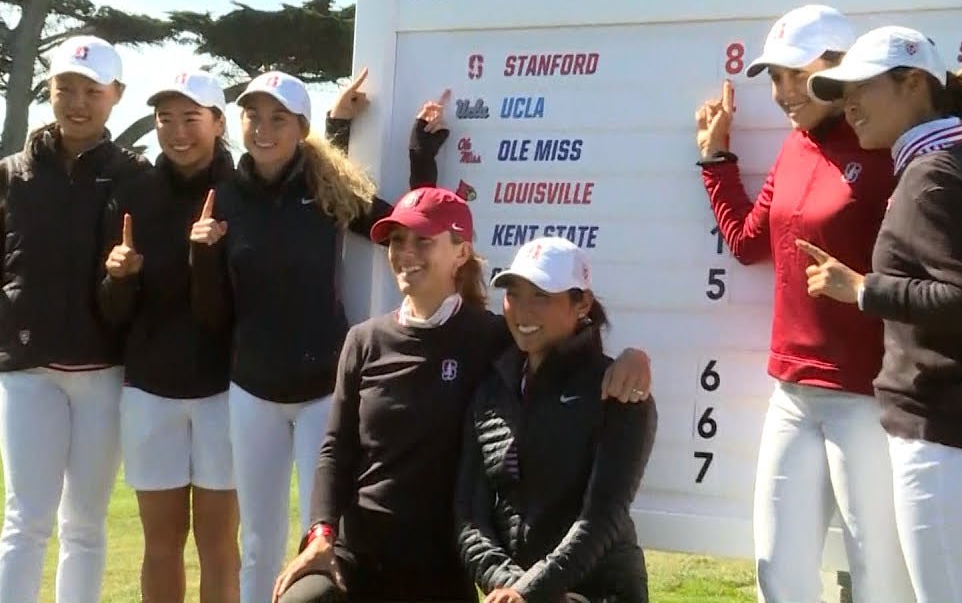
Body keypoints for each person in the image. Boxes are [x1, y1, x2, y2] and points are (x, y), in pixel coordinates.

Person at [694, 5, 962, 603]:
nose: (785, 92)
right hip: (791, 389)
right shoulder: (796, 149)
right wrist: (716, 162)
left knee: (879, 582)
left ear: (843, 70)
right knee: (777, 575)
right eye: (775, 78)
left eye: (798, 74)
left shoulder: (898, 149)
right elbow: (749, 242)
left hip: (869, 396)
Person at [272, 188, 652, 603]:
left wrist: (634, 358)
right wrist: (321, 532)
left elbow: (566, 349)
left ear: (461, 253)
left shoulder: (493, 339)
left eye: (423, 240)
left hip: (444, 566)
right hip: (361, 553)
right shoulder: (366, 341)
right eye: (397, 240)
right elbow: (336, 448)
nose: (406, 252)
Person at [188, 68, 451, 603]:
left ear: (301, 127)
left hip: (323, 394)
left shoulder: (326, 190)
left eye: (278, 119)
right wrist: (202, 254)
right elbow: (213, 311)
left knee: (326, 539)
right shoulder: (225, 197)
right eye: (253, 117)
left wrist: (421, 152)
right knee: (258, 542)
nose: (263, 129)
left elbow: (404, 227)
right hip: (252, 389)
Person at [801, 25, 962, 603]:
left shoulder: (931, 174)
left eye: (862, 87)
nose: (848, 105)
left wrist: (864, 289)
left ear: (912, 83)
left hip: (952, 444)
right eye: (843, 93)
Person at [0, 35, 149, 603]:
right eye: (65, 89)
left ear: (116, 94)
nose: (77, 103)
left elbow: (144, 281)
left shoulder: (135, 174)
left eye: (92, 91)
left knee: (84, 523)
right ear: (49, 91)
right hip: (27, 367)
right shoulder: (12, 173)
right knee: (25, 518)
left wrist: (126, 274)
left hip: (103, 368)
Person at [97, 69, 240, 603]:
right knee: (160, 544)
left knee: (219, 544)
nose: (178, 132)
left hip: (225, 390)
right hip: (150, 390)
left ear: (218, 123)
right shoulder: (134, 192)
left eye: (191, 118)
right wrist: (119, 278)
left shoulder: (242, 191)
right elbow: (112, 313)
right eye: (166, 119)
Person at [456, 236, 658, 603]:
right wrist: (510, 586)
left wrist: (528, 592)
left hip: (601, 591)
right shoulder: (491, 388)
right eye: (513, 294)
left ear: (583, 304)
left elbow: (602, 519)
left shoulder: (619, 393)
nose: (523, 310)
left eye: (541, 296)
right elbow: (470, 517)